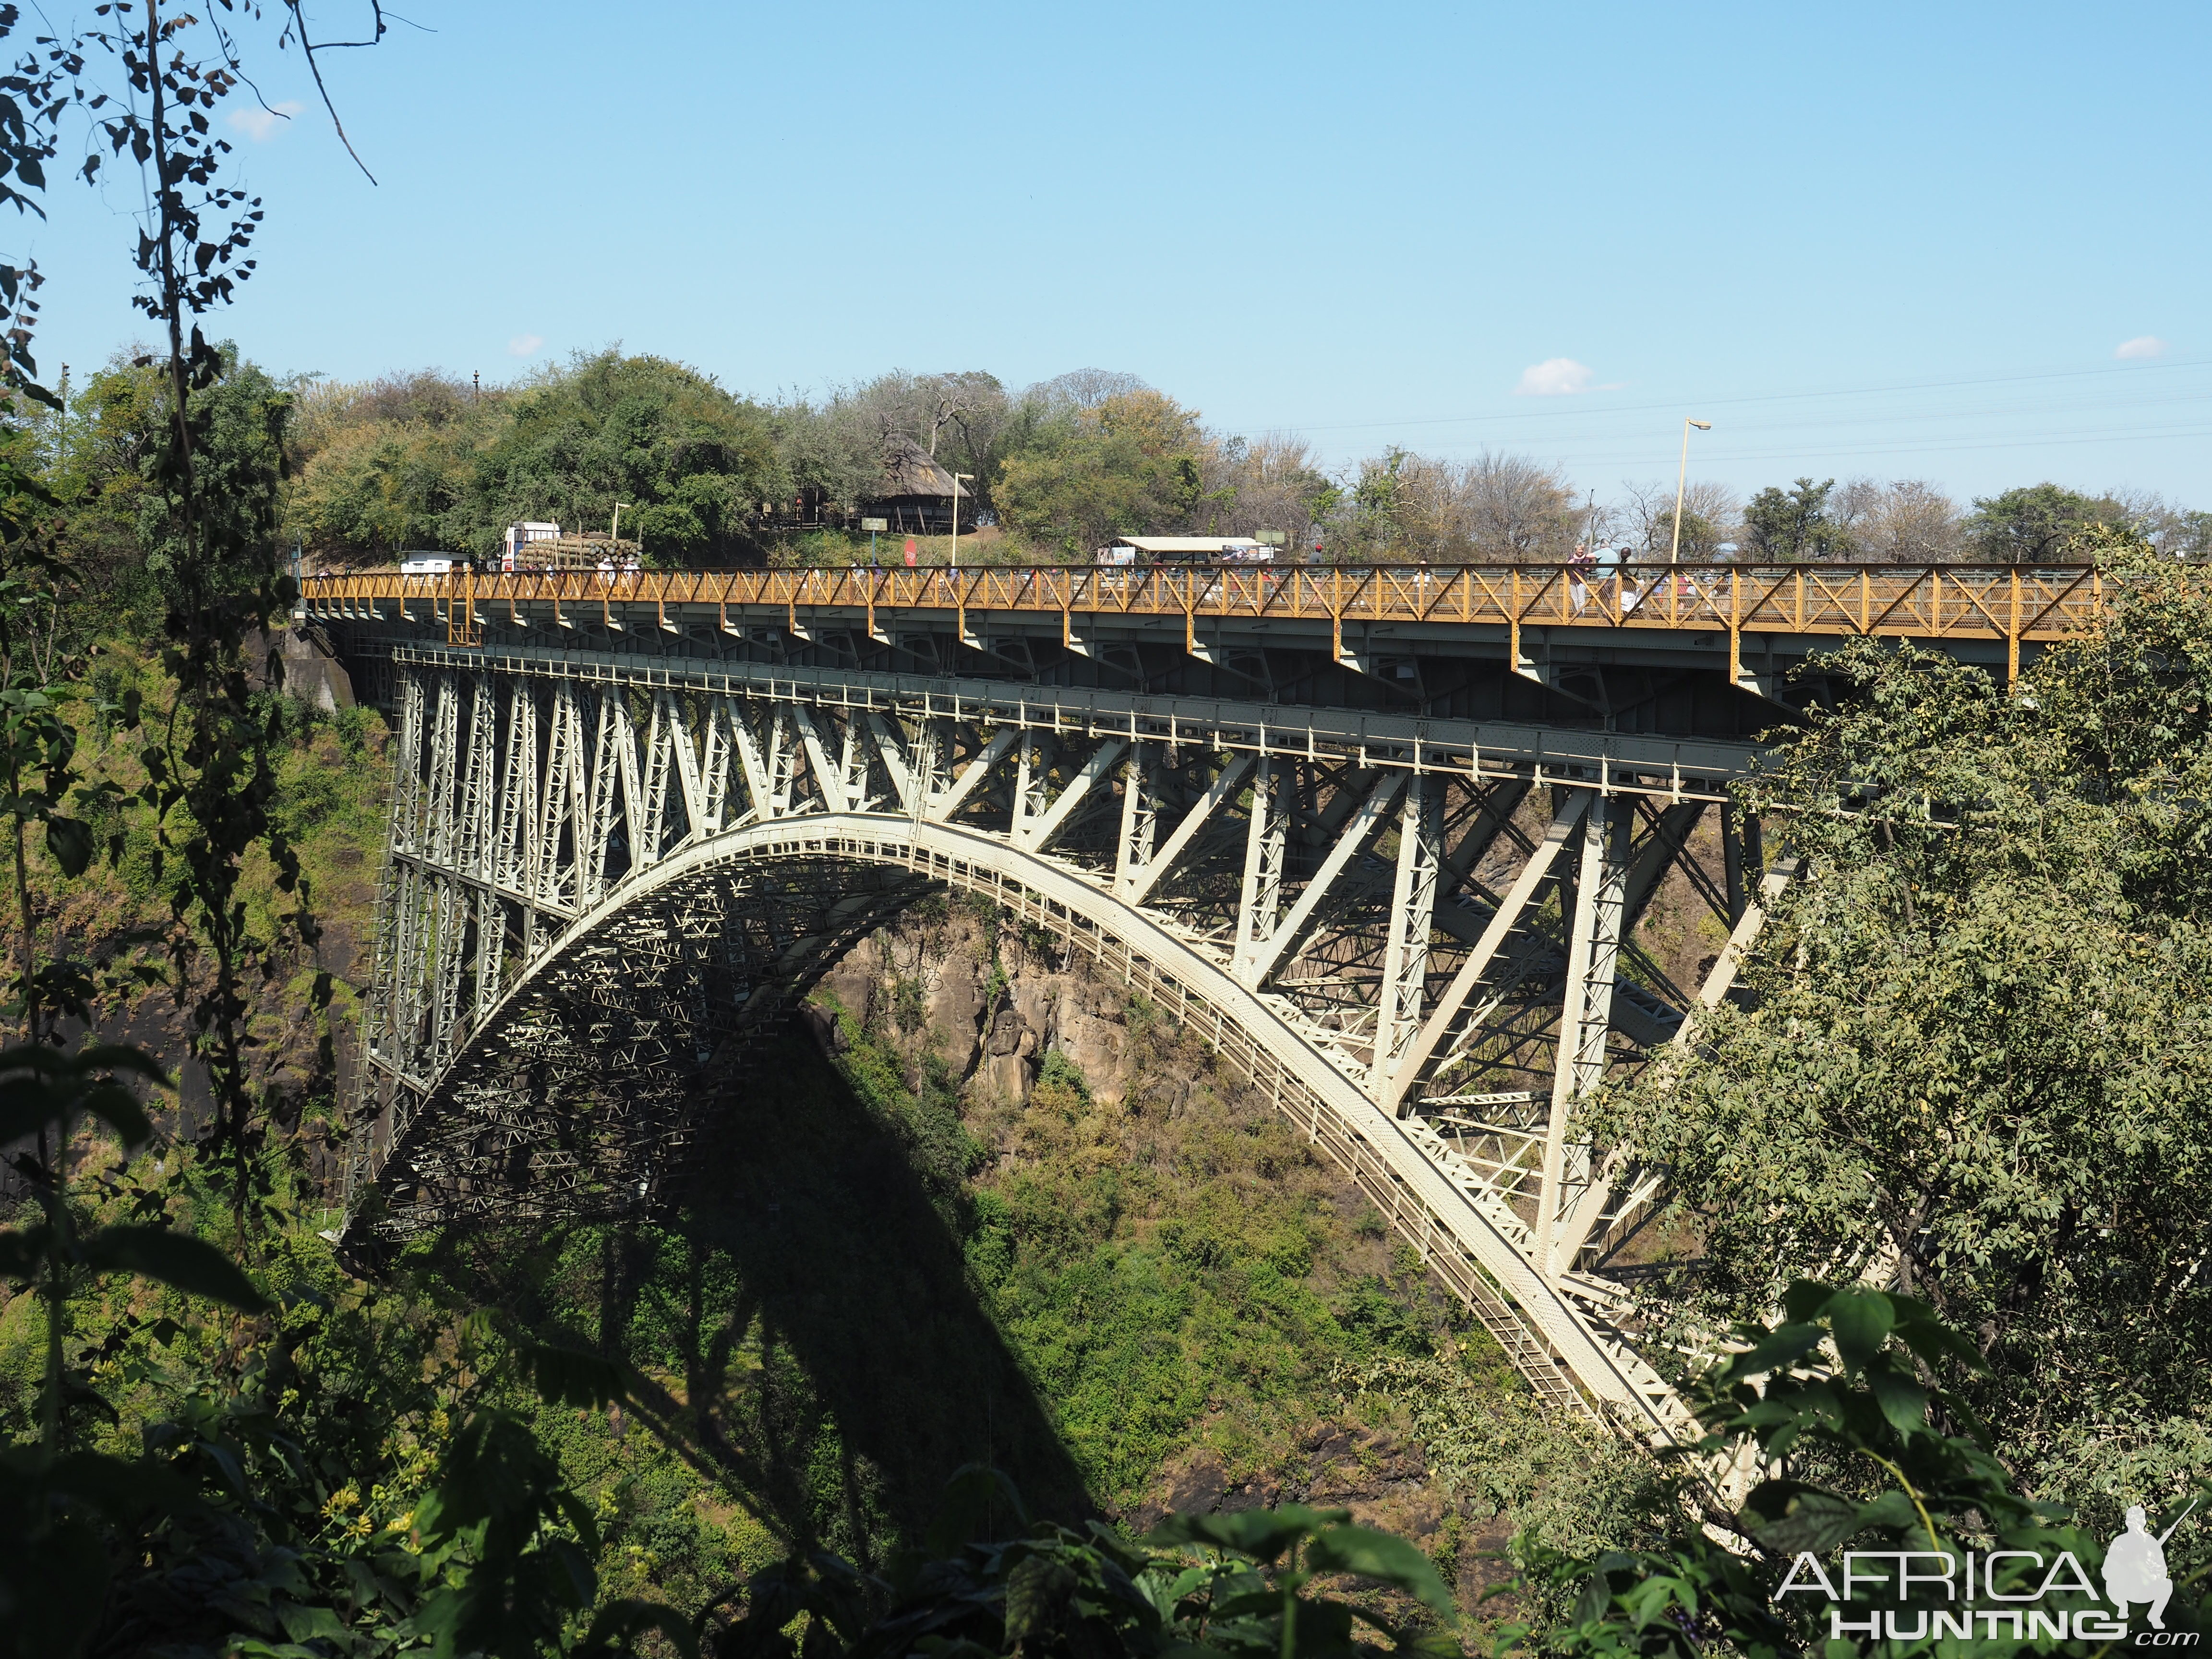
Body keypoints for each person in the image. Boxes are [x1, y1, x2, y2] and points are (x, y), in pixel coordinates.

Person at [2104, 1505, 2176, 1629]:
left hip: (2145, 1588)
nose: (2135, 1525)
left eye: (2138, 1521)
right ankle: (2122, 1608)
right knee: (2110, 1584)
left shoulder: (2151, 1542)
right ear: (2127, 1523)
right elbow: (2107, 1570)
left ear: (2144, 1522)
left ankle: (2154, 1616)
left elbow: (2163, 1571)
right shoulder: (2119, 1542)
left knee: (2167, 1584)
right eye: (2132, 1521)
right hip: (2124, 1589)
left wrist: (2153, 1569)